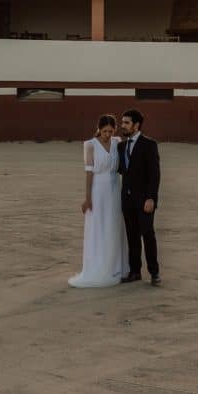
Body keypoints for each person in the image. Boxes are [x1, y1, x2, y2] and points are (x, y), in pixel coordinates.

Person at [68, 114, 130, 287]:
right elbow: (89, 173)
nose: (108, 134)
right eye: (105, 131)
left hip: (115, 189)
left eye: (111, 131)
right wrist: (87, 198)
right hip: (98, 190)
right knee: (99, 226)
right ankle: (98, 266)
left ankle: (117, 266)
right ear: (99, 129)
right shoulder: (90, 145)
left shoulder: (117, 142)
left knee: (114, 225)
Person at [117, 109, 162, 286]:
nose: (123, 126)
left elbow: (155, 174)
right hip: (127, 200)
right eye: (122, 122)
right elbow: (122, 171)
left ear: (136, 125)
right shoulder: (121, 146)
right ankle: (135, 271)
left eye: (126, 123)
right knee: (132, 236)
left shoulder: (149, 144)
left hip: (144, 200)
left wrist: (151, 198)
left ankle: (154, 272)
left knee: (148, 235)